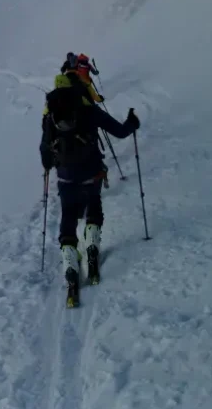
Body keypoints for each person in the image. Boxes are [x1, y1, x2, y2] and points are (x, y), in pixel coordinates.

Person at [39, 72, 139, 288]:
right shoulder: (88, 109)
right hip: (91, 172)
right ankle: (92, 246)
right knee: (94, 205)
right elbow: (120, 131)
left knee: (68, 214)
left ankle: (70, 263)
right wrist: (132, 123)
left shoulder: (50, 117)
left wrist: (51, 164)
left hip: (66, 177)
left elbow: (45, 155)